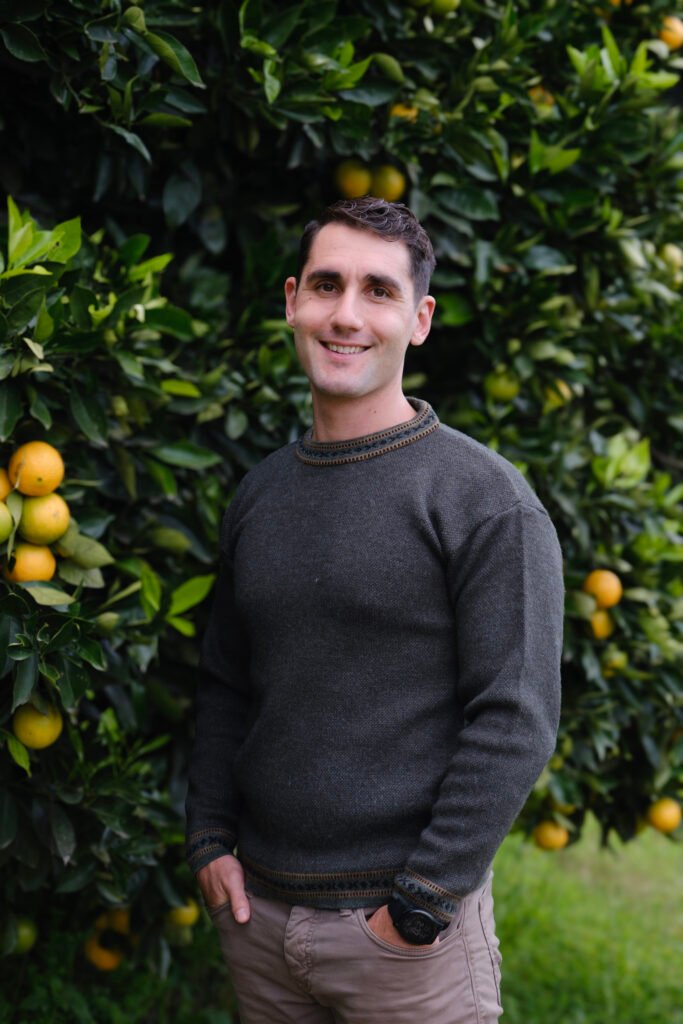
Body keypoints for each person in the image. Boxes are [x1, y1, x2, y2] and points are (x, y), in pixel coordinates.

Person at [185, 197, 564, 1024]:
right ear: (292, 300)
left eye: (378, 291)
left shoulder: (483, 500)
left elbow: (516, 718)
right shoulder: (261, 493)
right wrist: (210, 839)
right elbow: (224, 683)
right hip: (261, 924)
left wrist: (420, 906)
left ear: (419, 319)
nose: (345, 315)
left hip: (404, 944)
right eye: (326, 285)